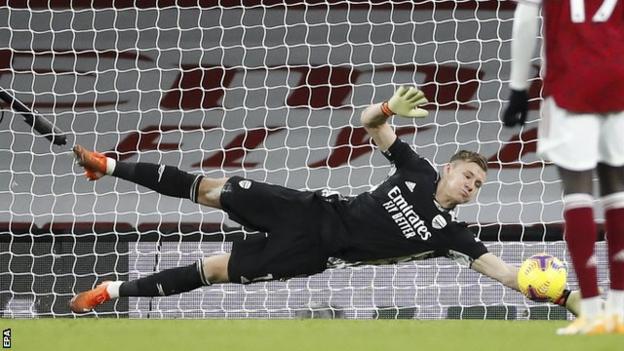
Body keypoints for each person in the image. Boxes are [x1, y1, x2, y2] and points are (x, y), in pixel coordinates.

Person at [70, 86, 579, 317]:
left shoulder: (453, 236)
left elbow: (508, 274)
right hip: (310, 209)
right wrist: (386, 108)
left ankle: (111, 292)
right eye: (469, 175)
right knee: (209, 188)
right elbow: (370, 125)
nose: (472, 186)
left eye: (479, 185)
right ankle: (107, 165)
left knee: (213, 269)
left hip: (312, 255)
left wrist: (567, 296)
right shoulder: (417, 170)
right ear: (448, 168)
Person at [503, 0, 624, 334]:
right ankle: (620, 309)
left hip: (571, 82)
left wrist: (517, 88)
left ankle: (590, 311)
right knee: (618, 191)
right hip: (620, 77)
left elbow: (526, 15)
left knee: (577, 193)